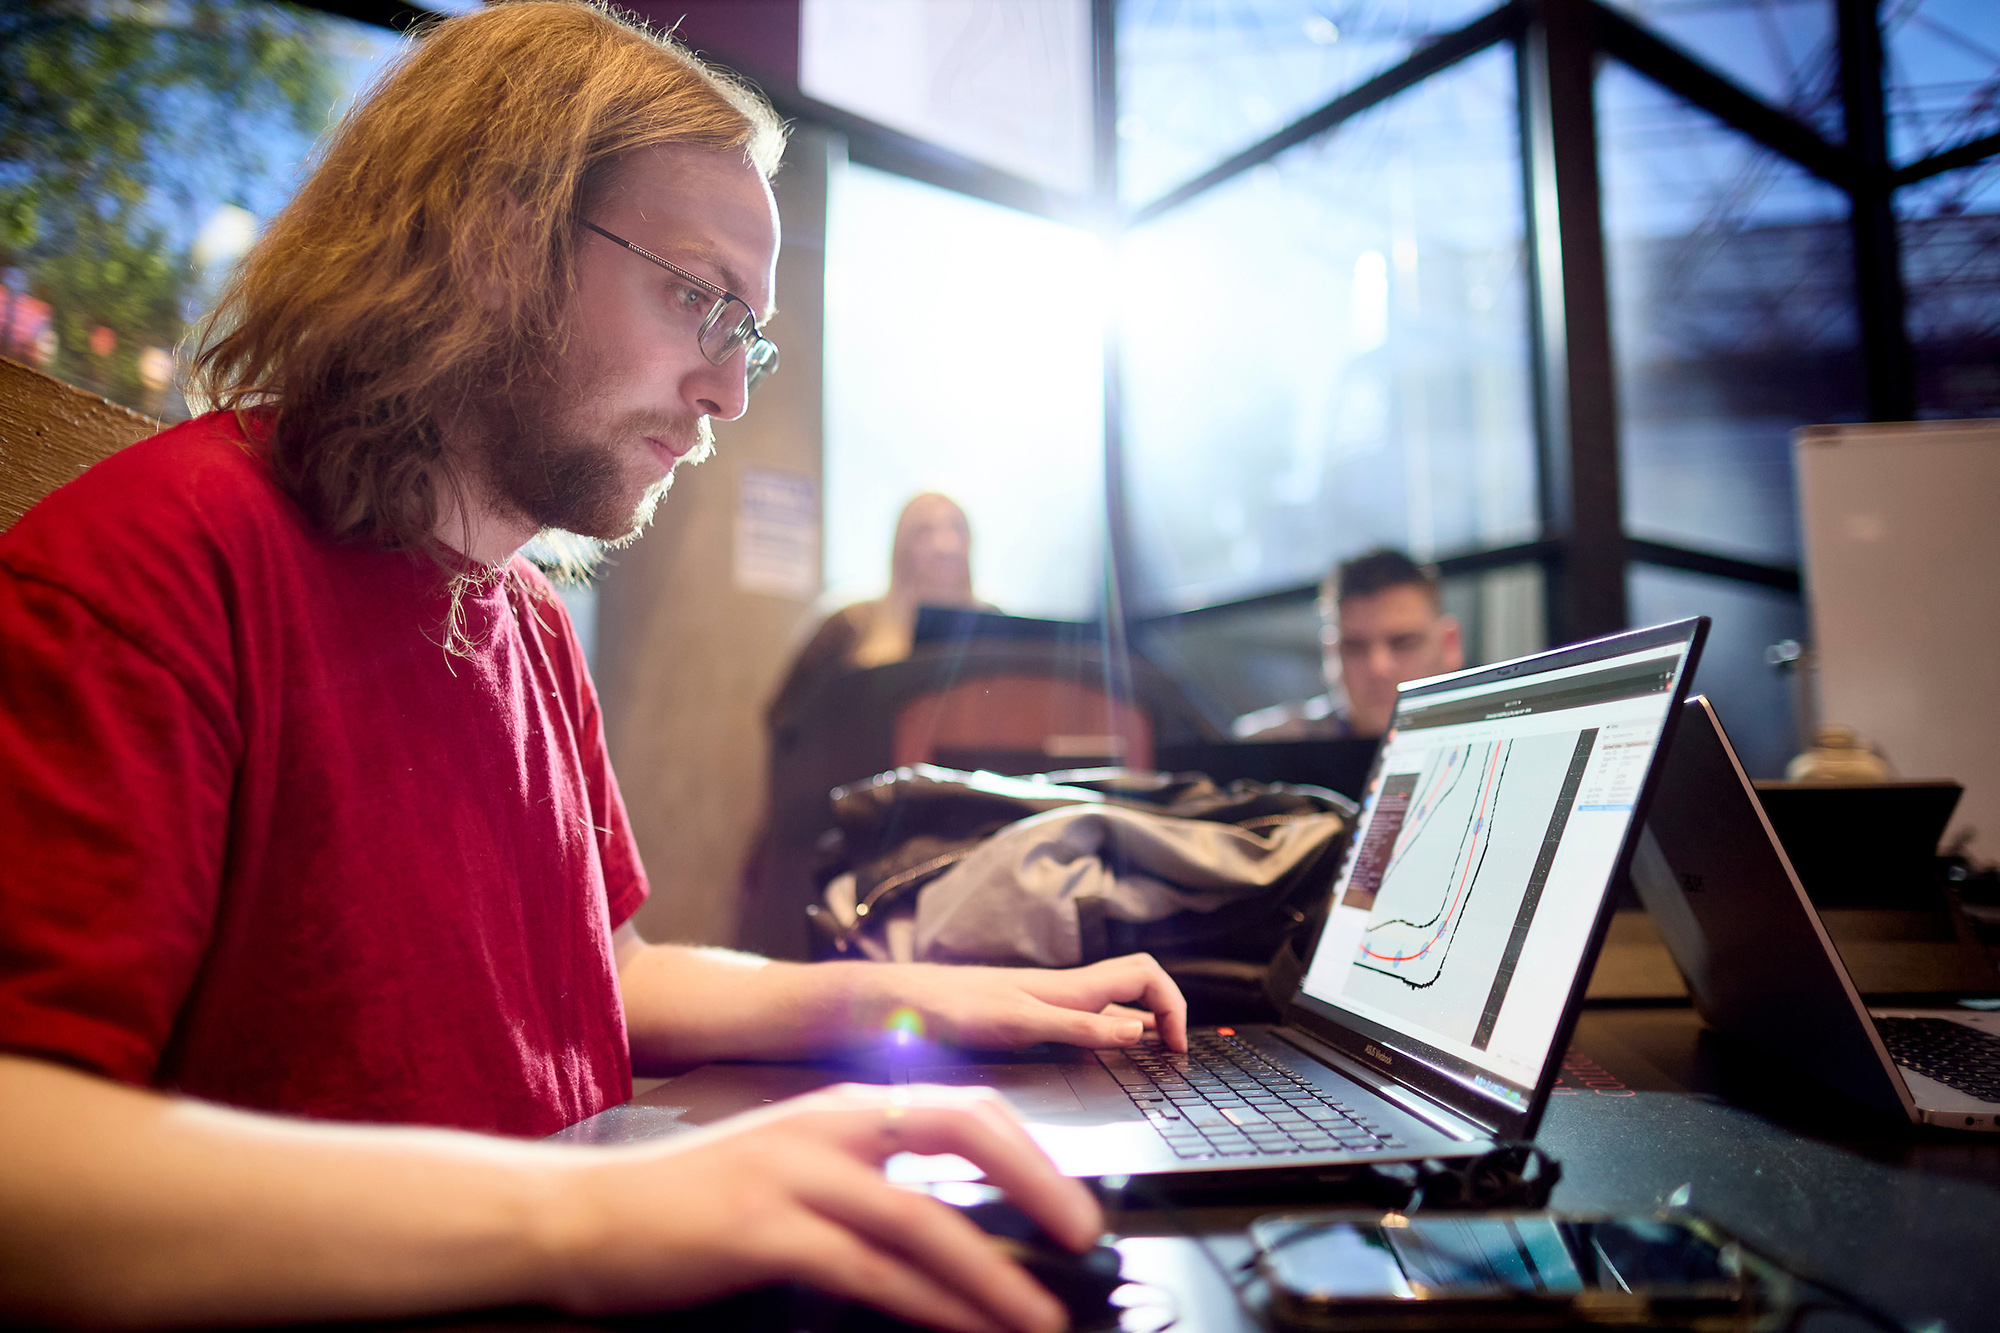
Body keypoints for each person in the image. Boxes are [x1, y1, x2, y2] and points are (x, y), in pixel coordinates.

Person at [0, 7, 1184, 1332]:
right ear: (494, 238)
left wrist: (926, 996)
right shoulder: (152, 567)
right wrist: (593, 1213)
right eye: (703, 299)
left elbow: (606, 980)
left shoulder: (529, 624)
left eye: (755, 332)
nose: (731, 393)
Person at [767, 491, 987, 724]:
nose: (945, 545)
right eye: (925, 531)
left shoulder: (997, 628)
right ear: (902, 546)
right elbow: (787, 719)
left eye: (957, 529)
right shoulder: (851, 623)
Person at [1236, 548, 1463, 741]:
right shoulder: (1269, 750)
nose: (1378, 668)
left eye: (1404, 643)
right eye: (1354, 648)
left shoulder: (1492, 737)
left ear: (1448, 644)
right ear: (1330, 654)